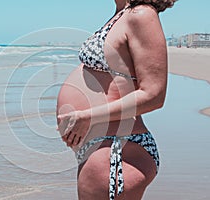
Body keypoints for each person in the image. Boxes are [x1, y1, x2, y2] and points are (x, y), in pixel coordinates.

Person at [56, 0, 177, 199]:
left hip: (118, 147)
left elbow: (154, 95)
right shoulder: (121, 14)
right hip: (103, 146)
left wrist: (87, 117)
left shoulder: (142, 15)